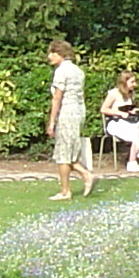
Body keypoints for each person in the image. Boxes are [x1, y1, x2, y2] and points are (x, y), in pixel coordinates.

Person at [46, 40, 97, 199]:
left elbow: (57, 98)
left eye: (52, 53)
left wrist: (52, 121)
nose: (49, 57)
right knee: (68, 151)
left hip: (67, 112)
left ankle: (67, 189)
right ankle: (82, 176)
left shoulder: (61, 71)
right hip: (78, 111)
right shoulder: (78, 71)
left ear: (60, 53)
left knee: (63, 153)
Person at [100, 70, 139, 172]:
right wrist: (119, 113)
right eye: (132, 82)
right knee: (135, 134)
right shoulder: (113, 93)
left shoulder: (130, 94)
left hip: (127, 121)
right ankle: (132, 162)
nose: (135, 84)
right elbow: (104, 109)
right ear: (124, 82)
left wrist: (133, 111)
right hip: (115, 123)